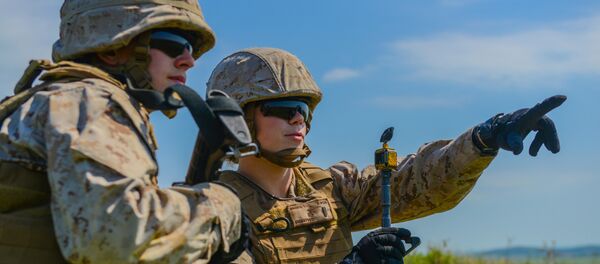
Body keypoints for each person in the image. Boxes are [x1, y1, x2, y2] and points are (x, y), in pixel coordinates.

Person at [205, 47, 566, 263]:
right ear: (238, 119)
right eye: (283, 109)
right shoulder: (212, 211)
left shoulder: (332, 189)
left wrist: (485, 138)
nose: (298, 118)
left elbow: (421, 183)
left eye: (302, 107)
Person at [0, 1, 248, 263]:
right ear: (113, 48)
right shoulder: (90, 102)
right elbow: (116, 236)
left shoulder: (57, 100)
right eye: (174, 44)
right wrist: (221, 207)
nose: (188, 61)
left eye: (190, 49)